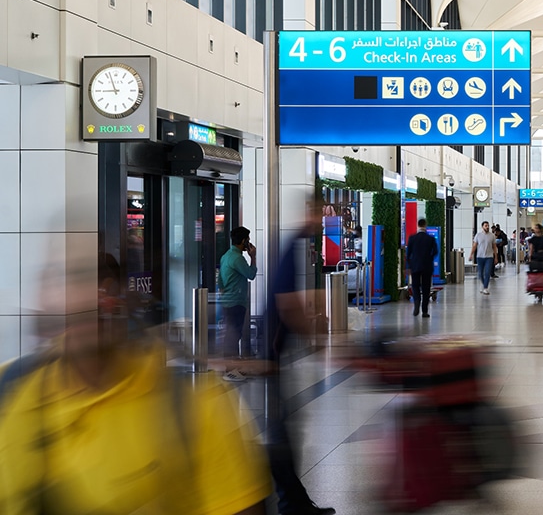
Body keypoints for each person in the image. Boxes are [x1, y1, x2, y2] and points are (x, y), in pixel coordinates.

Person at [0, 256, 273, 514]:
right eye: (65, 286)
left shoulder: (197, 406)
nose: (84, 305)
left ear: (124, 302)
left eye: (102, 293)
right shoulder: (10, 388)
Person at [265, 210, 338, 515]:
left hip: (274, 355)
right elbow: (287, 303)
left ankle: (294, 501)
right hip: (268, 356)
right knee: (278, 434)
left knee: (283, 431)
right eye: (318, 217)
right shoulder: (292, 245)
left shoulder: (294, 246)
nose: (320, 224)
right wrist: (314, 338)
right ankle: (289, 504)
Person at [219, 226, 258, 382]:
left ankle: (232, 368)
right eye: (247, 240)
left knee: (232, 334)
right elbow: (251, 274)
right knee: (234, 336)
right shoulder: (237, 258)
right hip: (236, 302)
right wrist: (253, 257)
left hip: (227, 301)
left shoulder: (225, 257)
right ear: (243, 241)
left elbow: (220, 282)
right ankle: (231, 370)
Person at [407, 219, 438, 317]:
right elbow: (436, 251)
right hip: (427, 266)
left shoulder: (412, 238)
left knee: (415, 286)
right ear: (425, 225)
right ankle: (425, 311)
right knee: (426, 288)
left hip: (415, 266)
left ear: (418, 225)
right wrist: (430, 257)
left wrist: (409, 265)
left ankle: (416, 303)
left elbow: (408, 254)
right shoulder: (430, 239)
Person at [470, 221, 496, 295]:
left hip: (489, 257)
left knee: (487, 272)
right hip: (480, 257)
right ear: (482, 227)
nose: (487, 227)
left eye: (488, 225)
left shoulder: (492, 236)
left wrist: (496, 257)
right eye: (485, 226)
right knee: (480, 273)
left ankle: (485, 288)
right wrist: (471, 254)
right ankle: (483, 283)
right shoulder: (478, 235)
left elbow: (494, 247)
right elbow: (474, 245)